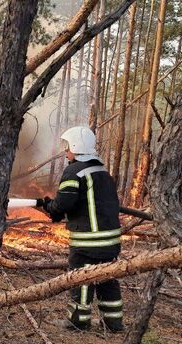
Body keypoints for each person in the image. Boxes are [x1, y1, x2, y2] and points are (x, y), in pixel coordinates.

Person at [38, 126, 124, 332]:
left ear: (76, 146)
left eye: (67, 147)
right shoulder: (101, 171)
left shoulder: (74, 171)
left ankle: (78, 322)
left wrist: (49, 207)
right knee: (107, 277)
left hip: (88, 242)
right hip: (111, 240)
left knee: (81, 277)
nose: (66, 151)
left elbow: (63, 204)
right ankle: (113, 323)